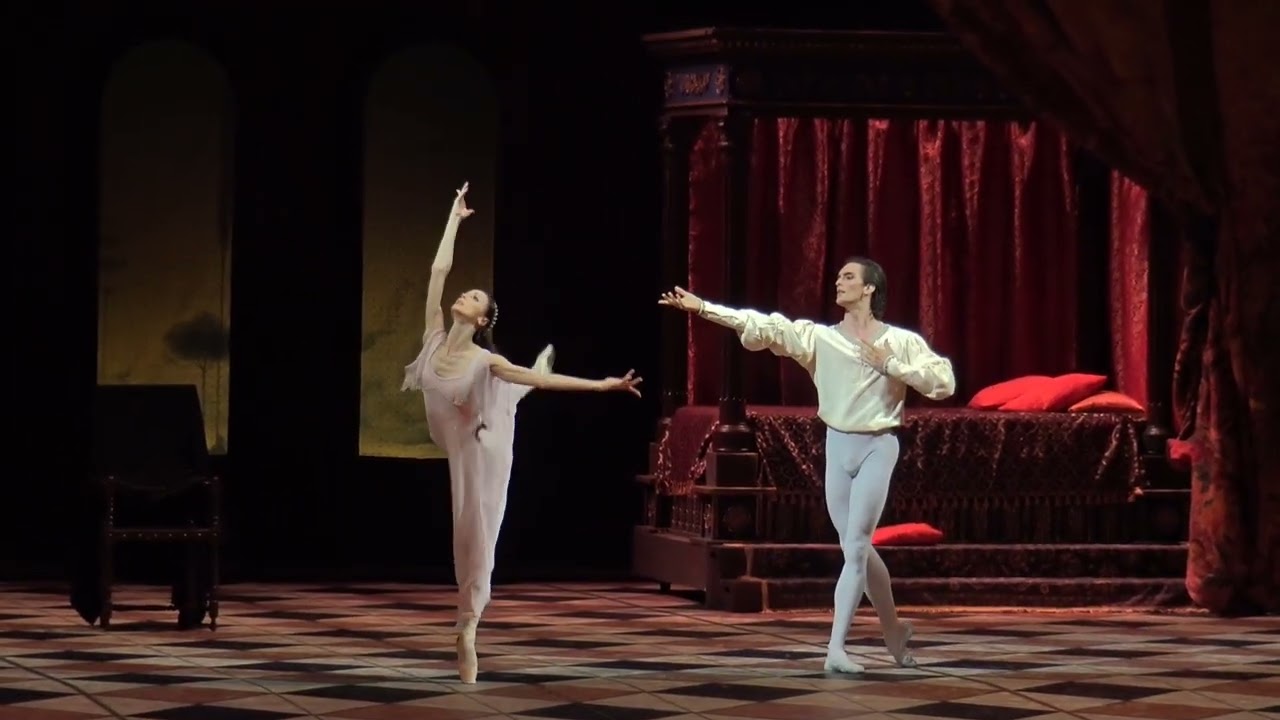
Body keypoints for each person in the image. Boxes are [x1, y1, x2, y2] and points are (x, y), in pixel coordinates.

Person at [659, 257, 955, 674]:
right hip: (838, 446)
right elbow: (763, 325)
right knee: (857, 549)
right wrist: (704, 308)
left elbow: (944, 382)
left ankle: (835, 648)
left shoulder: (900, 341)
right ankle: (892, 630)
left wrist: (890, 365)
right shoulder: (821, 339)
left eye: (849, 277)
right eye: (839, 276)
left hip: (878, 445)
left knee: (856, 546)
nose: (839, 281)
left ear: (870, 288)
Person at [403, 182, 642, 684]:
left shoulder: (485, 359)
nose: (463, 295)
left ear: (482, 318)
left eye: (473, 297)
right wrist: (453, 219)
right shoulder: (433, 338)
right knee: (509, 392)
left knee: (474, 532)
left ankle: (468, 625)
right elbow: (437, 271)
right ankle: (523, 382)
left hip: (479, 447)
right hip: (450, 432)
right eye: (466, 292)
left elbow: (547, 384)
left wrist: (603, 385)